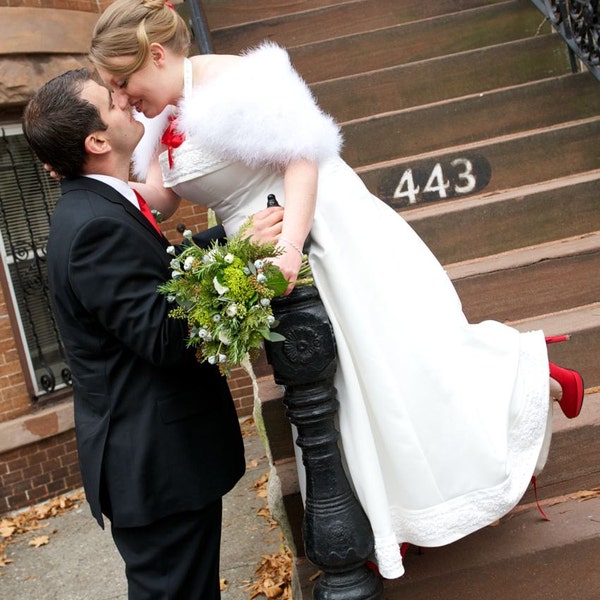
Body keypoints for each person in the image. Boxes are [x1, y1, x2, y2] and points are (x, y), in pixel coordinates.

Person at [87, 0, 585, 579]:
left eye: (122, 83)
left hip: (321, 231)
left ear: (155, 54)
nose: (121, 99)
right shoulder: (155, 117)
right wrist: (96, 185)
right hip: (263, 248)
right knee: (348, 392)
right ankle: (388, 520)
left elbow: (303, 160)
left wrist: (291, 249)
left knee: (392, 368)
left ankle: (526, 372)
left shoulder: (240, 79)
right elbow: (164, 195)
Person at [22, 68, 284, 599]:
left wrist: (235, 231)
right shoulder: (94, 226)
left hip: (162, 458)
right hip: (154, 462)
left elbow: (163, 273)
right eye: (112, 103)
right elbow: (165, 335)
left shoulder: (104, 203)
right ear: (97, 141)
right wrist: (244, 258)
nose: (124, 100)